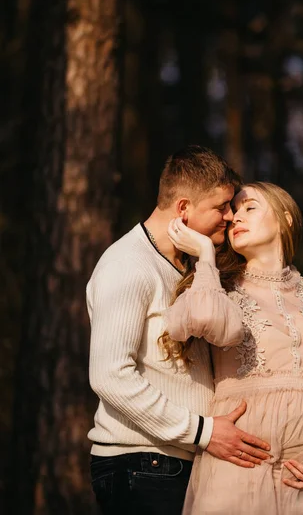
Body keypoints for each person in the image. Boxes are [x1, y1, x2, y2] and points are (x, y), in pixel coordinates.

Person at [163, 181, 303, 515]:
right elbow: (200, 319)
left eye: (250, 207)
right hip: (239, 468)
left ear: (285, 218)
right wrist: (204, 255)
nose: (236, 218)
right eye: (233, 212)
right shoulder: (220, 287)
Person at [86, 147, 270, 515]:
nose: (230, 216)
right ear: (183, 208)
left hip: (176, 462)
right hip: (142, 464)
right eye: (221, 207)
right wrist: (202, 432)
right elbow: (109, 376)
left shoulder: (189, 266)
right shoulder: (128, 265)